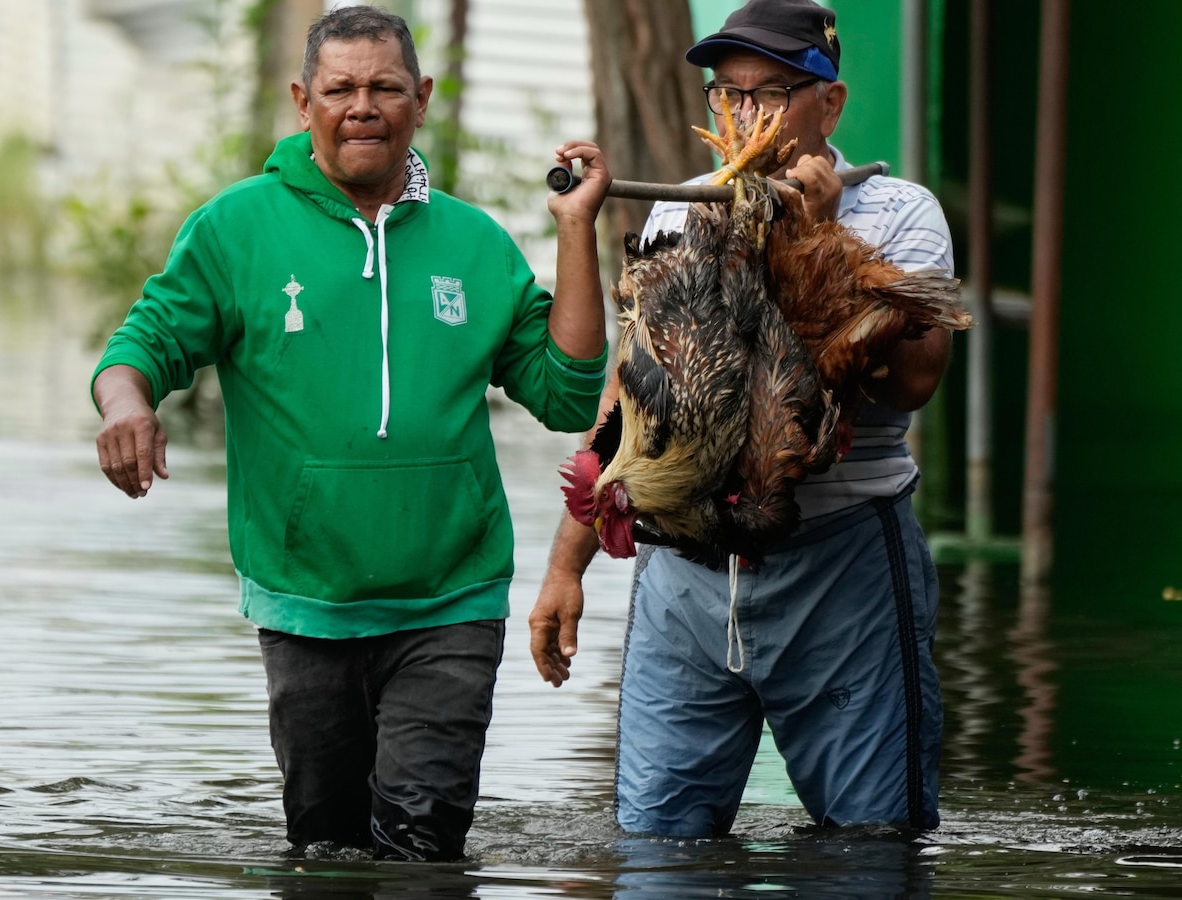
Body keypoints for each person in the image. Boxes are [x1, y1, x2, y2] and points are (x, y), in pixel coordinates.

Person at [91, 5, 611, 861]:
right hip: (306, 601)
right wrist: (125, 405)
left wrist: (574, 231)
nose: (362, 105)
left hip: (451, 597)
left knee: (423, 846)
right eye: (340, 88)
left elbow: (563, 392)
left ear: (423, 99)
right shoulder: (235, 229)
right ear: (304, 101)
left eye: (385, 87)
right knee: (324, 850)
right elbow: (139, 347)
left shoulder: (475, 244)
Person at [529, 0, 952, 838]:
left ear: (827, 104)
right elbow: (631, 392)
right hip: (683, 567)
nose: (745, 113)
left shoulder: (898, 211)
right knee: (658, 849)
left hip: (842, 564)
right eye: (727, 94)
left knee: (871, 848)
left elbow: (915, 383)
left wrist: (825, 238)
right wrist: (566, 565)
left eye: (770, 92)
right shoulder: (685, 207)